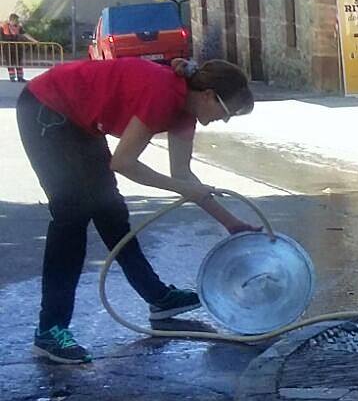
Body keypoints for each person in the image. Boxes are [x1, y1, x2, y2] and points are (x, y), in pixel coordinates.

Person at [17, 56, 258, 364]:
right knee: (71, 213)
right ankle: (50, 330)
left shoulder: (185, 112)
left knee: (111, 211)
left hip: (78, 122)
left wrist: (231, 222)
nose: (224, 121)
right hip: (46, 107)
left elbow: (182, 174)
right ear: (209, 95)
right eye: (227, 112)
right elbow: (123, 163)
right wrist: (183, 189)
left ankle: (159, 298)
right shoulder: (162, 94)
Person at [1, 13, 37, 82]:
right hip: (7, 48)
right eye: (16, 20)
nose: (17, 21)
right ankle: (12, 77)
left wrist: (34, 41)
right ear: (11, 20)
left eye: (17, 20)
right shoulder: (4, 27)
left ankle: (20, 77)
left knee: (19, 62)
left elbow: (25, 34)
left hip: (18, 47)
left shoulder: (19, 27)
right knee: (10, 62)